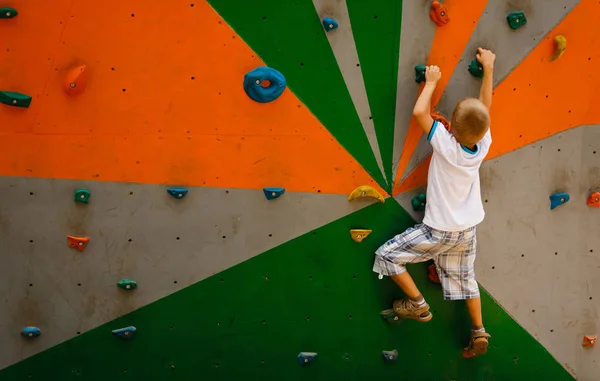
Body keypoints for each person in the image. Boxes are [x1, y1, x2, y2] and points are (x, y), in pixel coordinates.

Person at [373, 47, 496, 358]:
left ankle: (418, 305)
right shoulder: (481, 146)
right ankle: (479, 330)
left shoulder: (445, 143)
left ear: (451, 127)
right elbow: (486, 106)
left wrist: (430, 82)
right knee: (467, 279)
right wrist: (489, 68)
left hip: (438, 231)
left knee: (387, 256)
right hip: (466, 230)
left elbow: (420, 115)